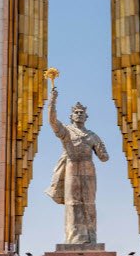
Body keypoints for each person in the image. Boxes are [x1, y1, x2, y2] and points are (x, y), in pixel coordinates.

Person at [44, 87, 108, 244]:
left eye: (81, 112)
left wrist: (101, 150)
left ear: (86, 116)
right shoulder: (66, 131)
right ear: (71, 116)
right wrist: (52, 101)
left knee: (89, 202)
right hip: (72, 167)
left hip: (88, 168)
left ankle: (91, 237)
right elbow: (52, 121)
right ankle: (74, 239)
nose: (79, 114)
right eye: (76, 112)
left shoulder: (93, 135)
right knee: (72, 203)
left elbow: (104, 157)